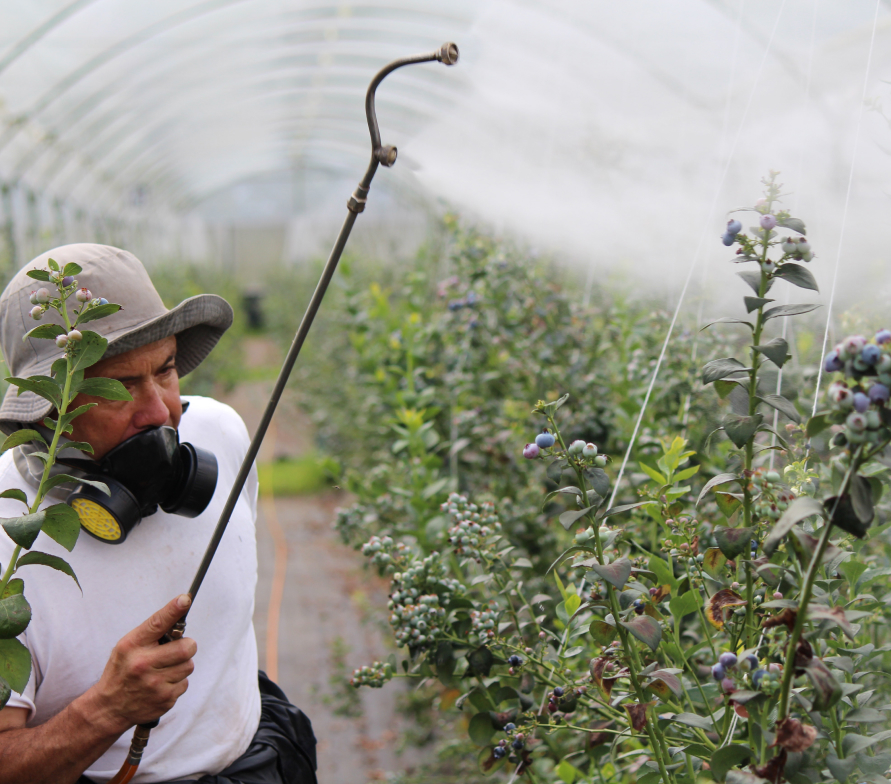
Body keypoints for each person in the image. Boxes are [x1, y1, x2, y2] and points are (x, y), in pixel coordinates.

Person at [0, 244, 316, 783]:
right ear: (50, 406)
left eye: (166, 370)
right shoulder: (10, 541)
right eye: (120, 386)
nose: (162, 411)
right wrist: (108, 708)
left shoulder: (221, 434)